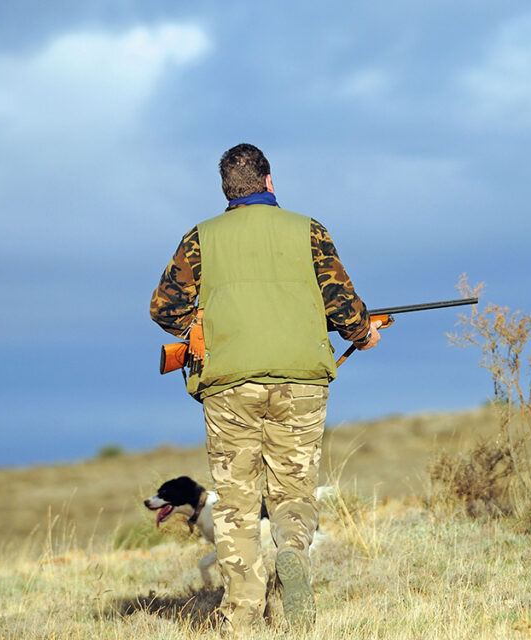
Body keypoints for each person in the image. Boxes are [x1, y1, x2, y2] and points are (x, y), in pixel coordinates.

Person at [150, 143, 380, 632]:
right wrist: (364, 333)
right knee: (293, 490)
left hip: (230, 388)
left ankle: (240, 612)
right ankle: (292, 551)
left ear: (227, 190)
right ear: (269, 181)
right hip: (300, 383)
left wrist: (204, 322)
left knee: (235, 502)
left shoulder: (200, 238)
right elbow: (343, 306)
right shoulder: (309, 230)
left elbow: (163, 309)